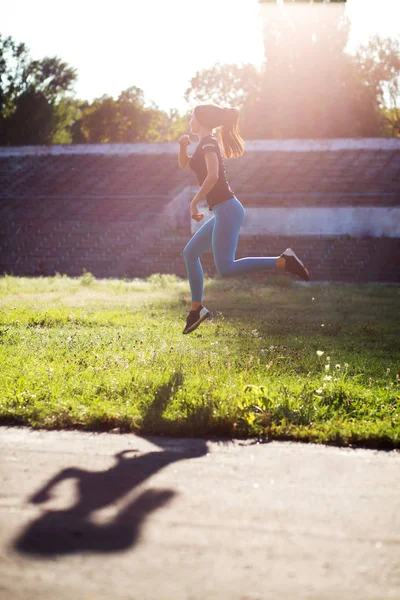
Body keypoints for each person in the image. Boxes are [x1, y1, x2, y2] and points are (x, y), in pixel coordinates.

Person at [178, 103, 309, 335]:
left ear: (202, 120)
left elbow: (213, 175)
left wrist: (194, 201)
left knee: (226, 268)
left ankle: (284, 261)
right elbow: (184, 164)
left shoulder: (209, 143)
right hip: (223, 210)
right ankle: (196, 309)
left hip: (227, 209)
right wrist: (182, 147)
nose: (189, 120)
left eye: (192, 116)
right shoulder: (201, 145)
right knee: (190, 253)